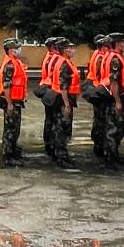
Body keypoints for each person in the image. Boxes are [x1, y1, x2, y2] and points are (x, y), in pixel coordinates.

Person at [100, 32, 124, 170]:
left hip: (117, 96)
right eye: (122, 42)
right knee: (114, 130)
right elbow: (114, 82)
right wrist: (118, 102)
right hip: (116, 97)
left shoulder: (114, 57)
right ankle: (111, 160)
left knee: (114, 129)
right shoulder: (115, 59)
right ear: (117, 44)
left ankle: (113, 157)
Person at [0, 38, 28, 167]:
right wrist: (9, 104)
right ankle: (8, 156)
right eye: (16, 48)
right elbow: (6, 86)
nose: (19, 50)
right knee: (11, 129)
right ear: (10, 50)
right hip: (10, 100)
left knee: (14, 128)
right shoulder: (10, 64)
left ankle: (12, 151)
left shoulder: (15, 62)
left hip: (16, 100)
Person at [50, 38, 80, 169]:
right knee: (62, 129)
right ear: (64, 50)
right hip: (63, 101)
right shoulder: (64, 64)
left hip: (62, 100)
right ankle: (61, 157)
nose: (73, 50)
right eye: (70, 47)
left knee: (60, 128)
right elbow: (63, 86)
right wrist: (67, 105)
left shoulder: (64, 62)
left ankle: (61, 155)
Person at [86, 34, 112, 158]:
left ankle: (98, 144)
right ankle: (100, 145)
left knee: (98, 119)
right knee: (101, 120)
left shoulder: (96, 55)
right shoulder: (101, 57)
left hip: (95, 88)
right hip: (99, 90)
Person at [37, 37, 62, 158]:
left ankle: (48, 144)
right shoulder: (56, 58)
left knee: (49, 119)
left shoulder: (48, 57)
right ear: (53, 47)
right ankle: (53, 146)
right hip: (53, 91)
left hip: (47, 90)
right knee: (55, 121)